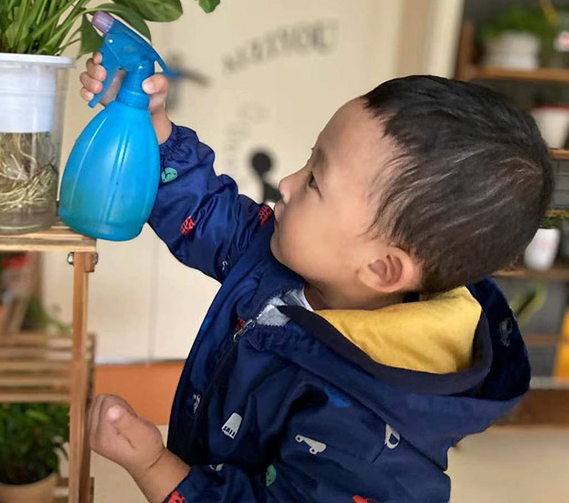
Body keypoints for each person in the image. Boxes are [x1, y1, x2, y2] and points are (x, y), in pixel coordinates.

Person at [82, 53, 553, 503]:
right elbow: (204, 211)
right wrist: (153, 125)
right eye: (309, 161)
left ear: (381, 268)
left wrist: (151, 464)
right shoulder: (281, 254)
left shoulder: (371, 436)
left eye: (314, 181)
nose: (286, 183)